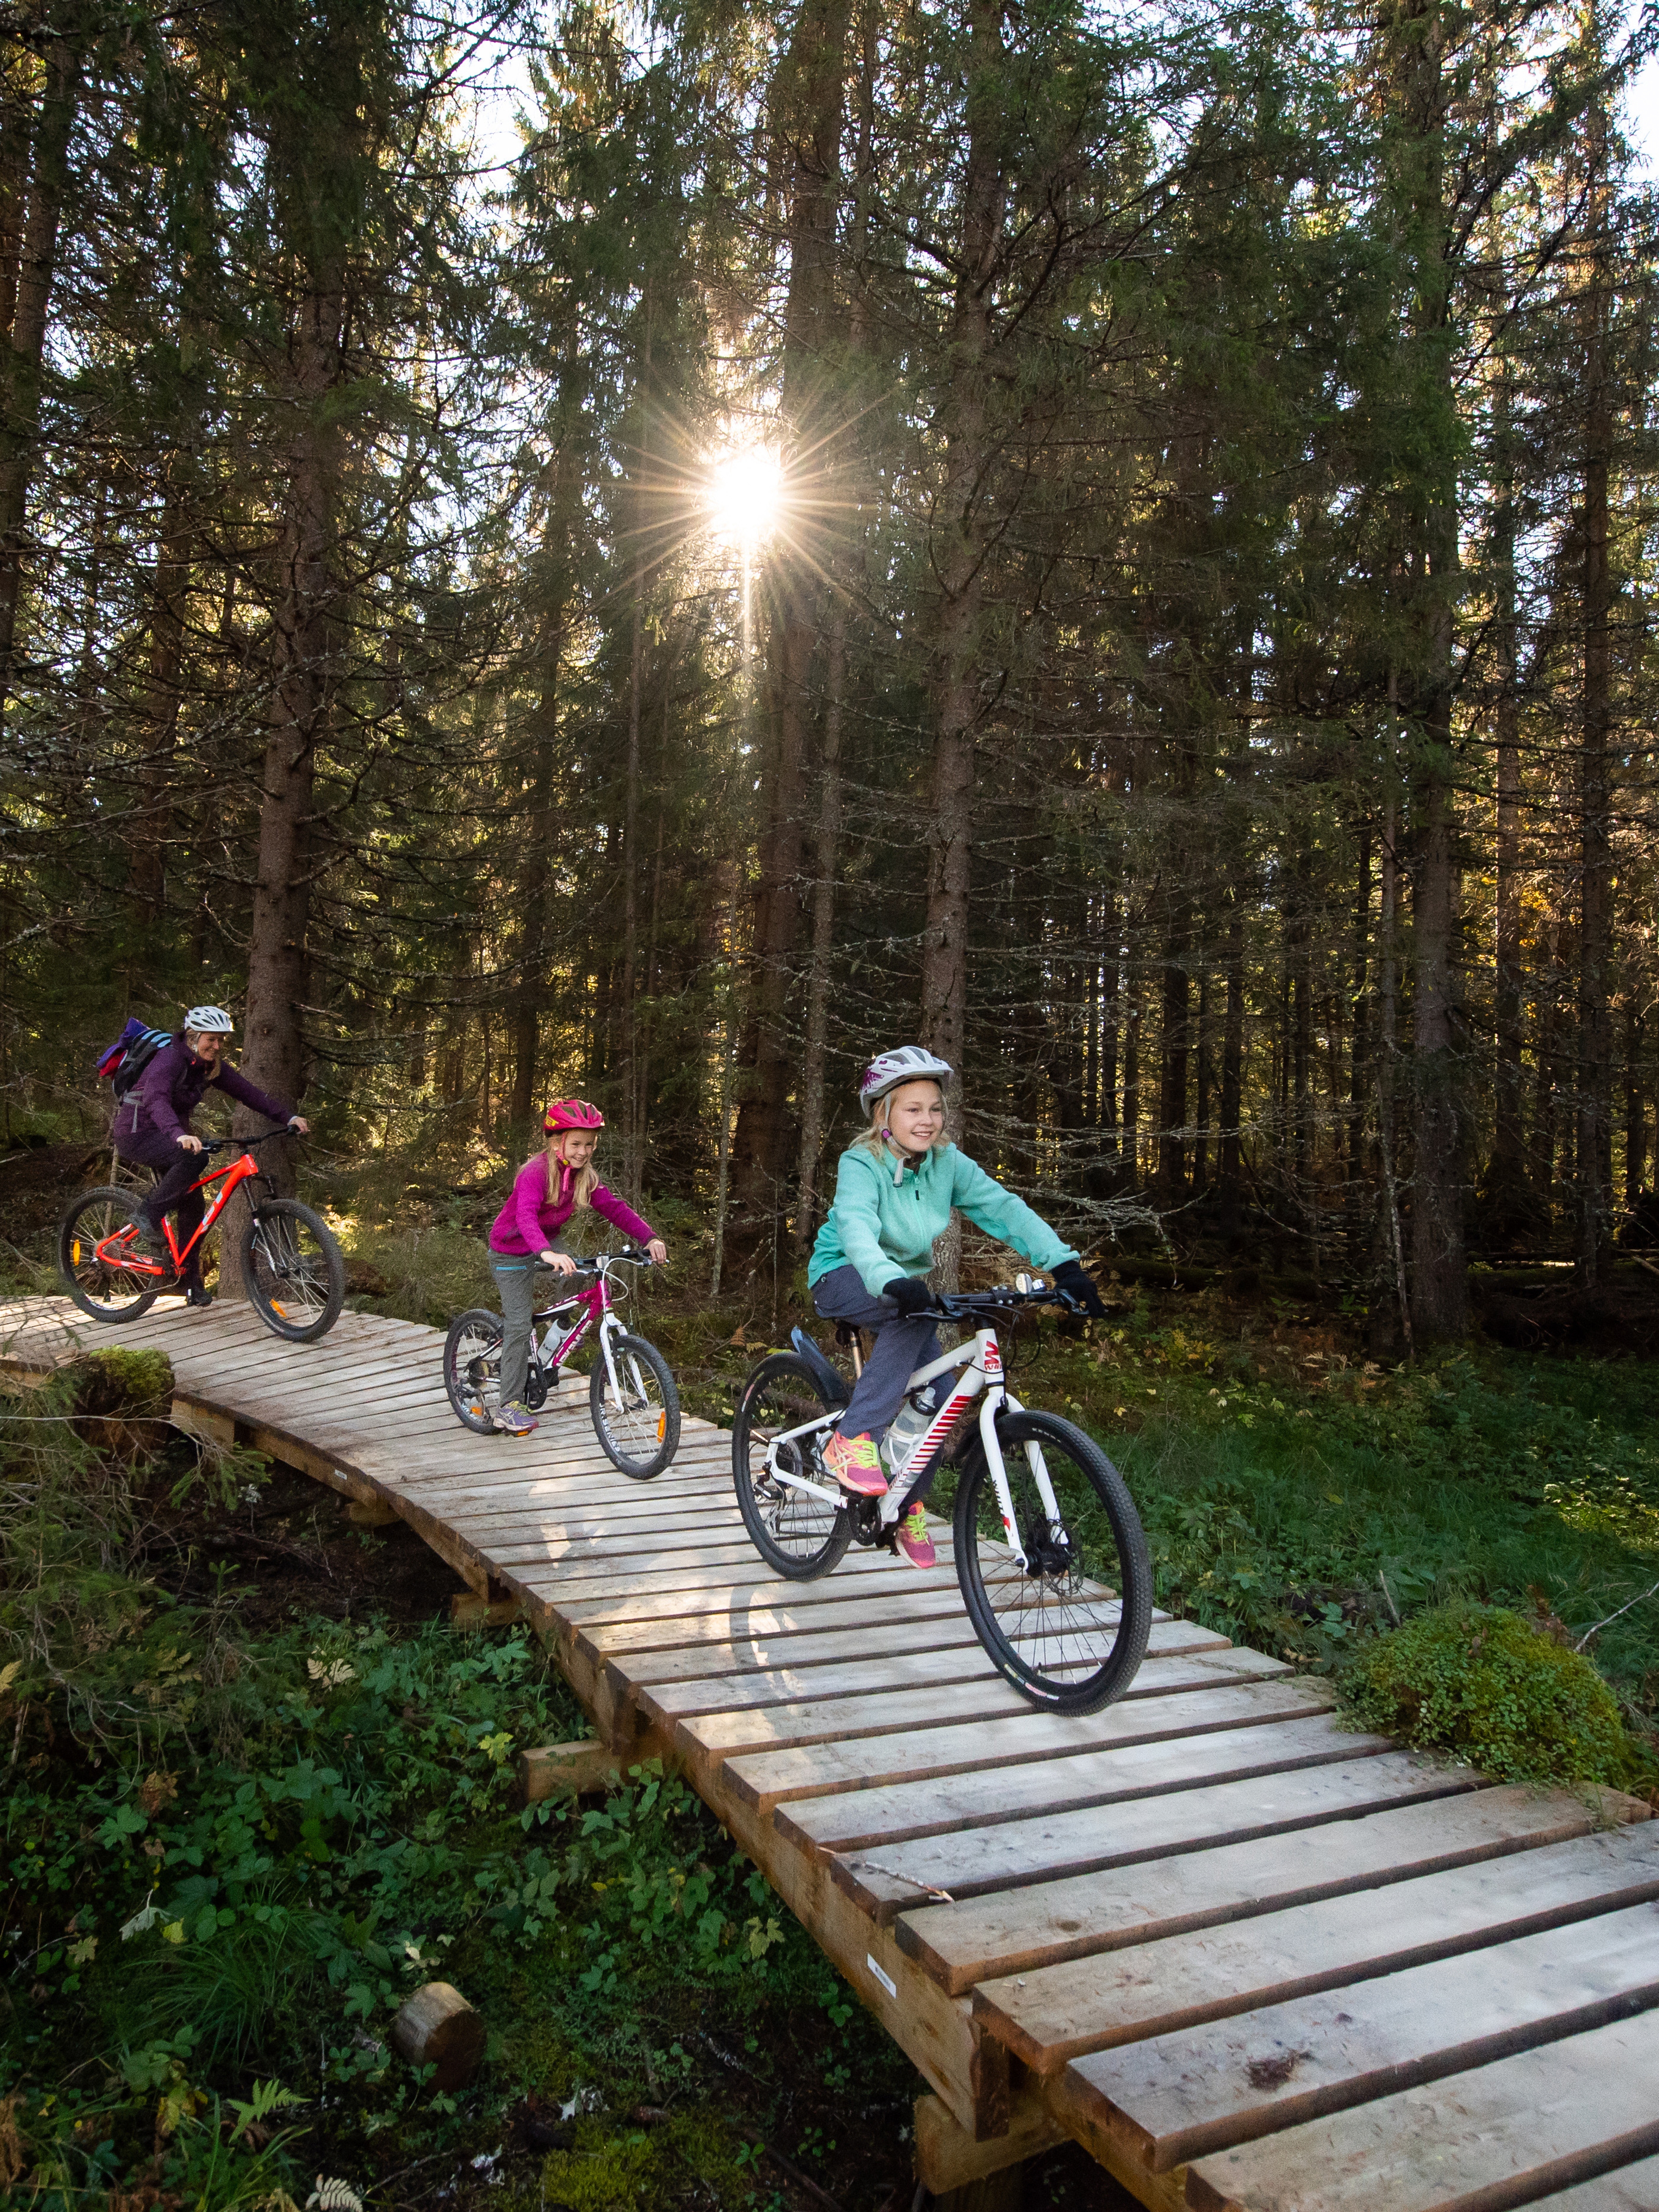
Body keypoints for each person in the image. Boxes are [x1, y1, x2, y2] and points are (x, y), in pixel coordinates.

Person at [807, 1046, 1107, 1568]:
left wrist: (1063, 1265)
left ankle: (902, 1504)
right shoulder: (860, 1162)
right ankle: (851, 1438)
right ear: (884, 1112)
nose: (927, 1120)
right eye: (912, 1108)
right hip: (844, 1274)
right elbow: (855, 1226)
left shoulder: (947, 1163)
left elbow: (1002, 1206)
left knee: (941, 1399)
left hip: (901, 1288)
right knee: (911, 1313)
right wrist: (890, 1279)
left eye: (935, 1108)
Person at [486, 1099, 669, 1437]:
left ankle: (558, 1334)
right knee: (518, 1324)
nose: (583, 1151)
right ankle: (507, 1408)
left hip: (546, 1244)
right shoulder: (535, 1173)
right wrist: (545, 1253)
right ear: (557, 1143)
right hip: (511, 1251)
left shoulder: (585, 1177)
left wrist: (649, 1237)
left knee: (581, 1275)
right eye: (576, 1144)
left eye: (589, 1144)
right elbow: (526, 1217)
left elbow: (615, 1209)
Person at [115, 1005, 310, 1306]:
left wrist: (288, 1117)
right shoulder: (169, 1059)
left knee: (193, 1203)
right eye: (212, 1039)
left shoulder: (210, 1066)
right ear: (194, 1036)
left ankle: (189, 1283)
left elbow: (249, 1093)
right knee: (196, 1159)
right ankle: (147, 1215)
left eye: (221, 1041)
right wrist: (178, 1134)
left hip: (170, 1134)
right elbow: (156, 1099)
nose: (217, 1046)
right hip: (138, 1132)